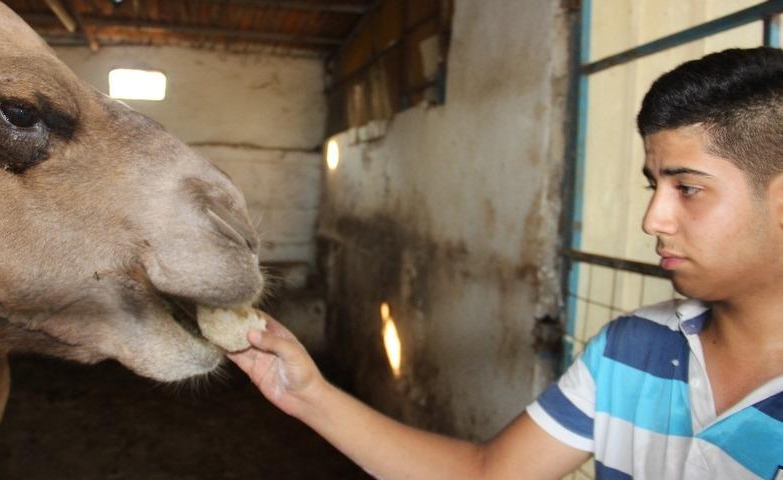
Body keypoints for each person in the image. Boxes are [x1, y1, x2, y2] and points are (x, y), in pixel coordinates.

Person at [228, 47, 783, 480]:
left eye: (687, 188)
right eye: (653, 185)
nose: (652, 220)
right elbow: (487, 472)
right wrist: (307, 394)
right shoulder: (630, 350)